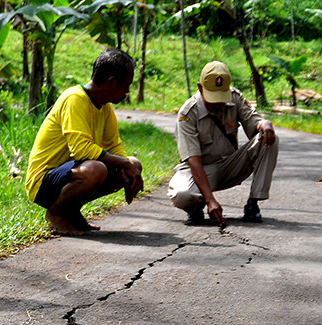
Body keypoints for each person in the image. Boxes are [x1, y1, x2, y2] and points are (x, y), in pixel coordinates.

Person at [24, 48, 144, 235]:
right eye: (126, 85)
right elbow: (81, 150)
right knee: (96, 169)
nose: (127, 92)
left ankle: (71, 212)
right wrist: (123, 163)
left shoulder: (104, 107)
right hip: (43, 181)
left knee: (134, 163)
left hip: (70, 173)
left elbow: (113, 145)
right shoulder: (75, 99)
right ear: (112, 82)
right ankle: (56, 213)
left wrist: (127, 168)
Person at [168, 61, 278, 227]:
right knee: (182, 195)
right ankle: (196, 207)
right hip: (202, 170)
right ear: (200, 88)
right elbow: (194, 161)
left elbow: (253, 121)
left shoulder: (234, 98)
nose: (217, 103)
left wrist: (264, 123)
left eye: (221, 97)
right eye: (212, 97)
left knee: (268, 138)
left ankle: (253, 203)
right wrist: (210, 200)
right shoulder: (188, 113)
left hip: (230, 165)